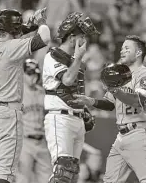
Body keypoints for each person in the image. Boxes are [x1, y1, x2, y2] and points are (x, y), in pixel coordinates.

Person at [69, 35, 146, 183]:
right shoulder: (120, 75)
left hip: (141, 133)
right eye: (122, 48)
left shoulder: (145, 75)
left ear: (138, 53)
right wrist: (90, 101)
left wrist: (114, 88)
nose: (122, 51)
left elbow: (138, 101)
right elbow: (109, 104)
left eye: (127, 48)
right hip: (122, 135)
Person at [0, 8, 50, 183]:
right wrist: (41, 23)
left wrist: (28, 25)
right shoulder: (11, 47)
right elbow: (44, 38)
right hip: (8, 114)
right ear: (13, 29)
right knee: (5, 172)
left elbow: (12, 37)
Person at [42, 12, 99, 183]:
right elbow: (67, 80)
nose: (85, 41)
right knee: (62, 171)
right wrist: (79, 57)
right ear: (72, 38)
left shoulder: (76, 61)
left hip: (76, 119)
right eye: (82, 36)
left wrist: (84, 109)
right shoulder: (53, 56)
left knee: (73, 174)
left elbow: (74, 91)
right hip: (59, 118)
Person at [16, 59, 52, 183]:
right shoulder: (17, 93)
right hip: (25, 141)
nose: (33, 77)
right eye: (29, 73)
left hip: (41, 141)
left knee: (48, 178)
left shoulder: (42, 92)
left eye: (35, 74)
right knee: (23, 179)